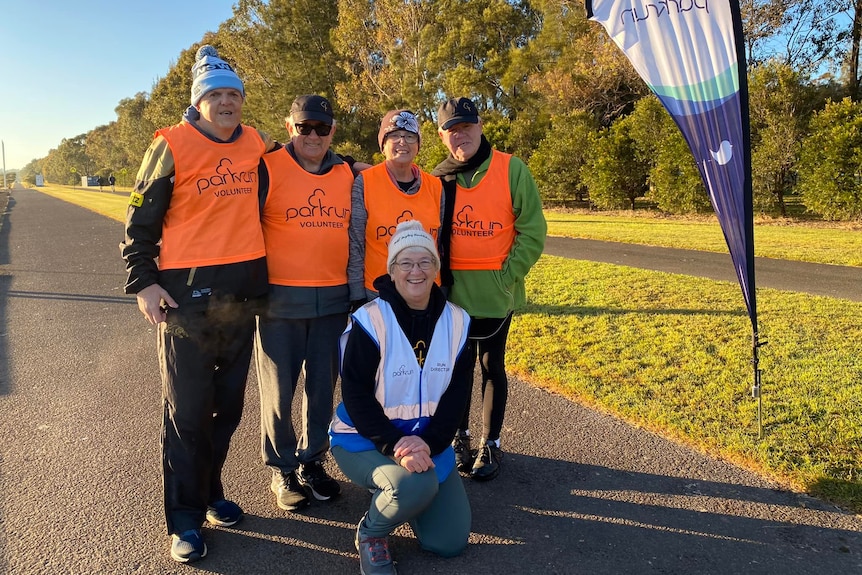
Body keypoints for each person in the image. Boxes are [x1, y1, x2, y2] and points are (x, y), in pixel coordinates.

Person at [119, 45, 274, 563]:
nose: (227, 102)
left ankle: (210, 495)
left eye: (234, 93)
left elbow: (299, 160)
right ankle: (183, 519)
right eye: (217, 95)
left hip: (243, 299)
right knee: (187, 413)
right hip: (186, 303)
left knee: (226, 409)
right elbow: (138, 221)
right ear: (199, 101)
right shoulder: (170, 145)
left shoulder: (254, 141)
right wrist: (143, 282)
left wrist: (359, 165)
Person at [330, 220, 473, 575]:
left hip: (428, 444)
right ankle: (371, 533)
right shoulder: (370, 320)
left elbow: (457, 396)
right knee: (415, 484)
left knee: (449, 543)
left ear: (436, 269)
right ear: (391, 270)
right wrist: (397, 445)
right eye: (405, 263)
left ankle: (405, 496)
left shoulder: (458, 322)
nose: (416, 271)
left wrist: (428, 444)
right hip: (363, 440)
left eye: (425, 262)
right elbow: (356, 394)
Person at [255, 94, 361, 512]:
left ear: (332, 130)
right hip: (279, 300)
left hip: (333, 299)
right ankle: (282, 469)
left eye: (321, 127)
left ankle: (311, 462)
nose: (313, 135)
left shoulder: (348, 172)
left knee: (321, 390)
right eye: (304, 127)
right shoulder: (266, 167)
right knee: (278, 392)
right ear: (290, 127)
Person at [432, 97, 547, 481]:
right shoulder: (438, 178)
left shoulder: (511, 169)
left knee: (490, 365)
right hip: (452, 294)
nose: (460, 134)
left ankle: (490, 444)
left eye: (466, 126)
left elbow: (532, 229)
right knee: (456, 370)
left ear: (480, 126)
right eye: (452, 129)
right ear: (442, 136)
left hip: (497, 291)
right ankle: (459, 437)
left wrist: (507, 275)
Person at [347, 110, 444, 305]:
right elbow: (356, 244)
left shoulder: (436, 186)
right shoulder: (365, 183)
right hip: (378, 293)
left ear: (418, 145)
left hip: (426, 292)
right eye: (394, 135)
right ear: (383, 145)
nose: (403, 142)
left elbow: (439, 243)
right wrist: (357, 296)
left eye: (410, 136)